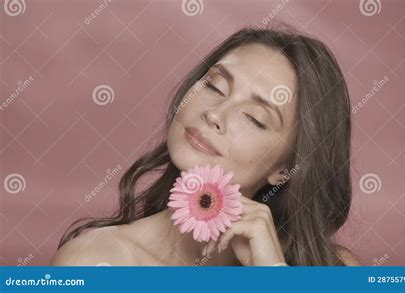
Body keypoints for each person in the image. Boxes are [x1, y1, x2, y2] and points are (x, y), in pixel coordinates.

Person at [51, 26, 361, 266]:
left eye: (254, 118)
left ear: (284, 169)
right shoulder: (95, 261)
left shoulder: (334, 270)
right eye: (214, 86)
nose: (215, 114)